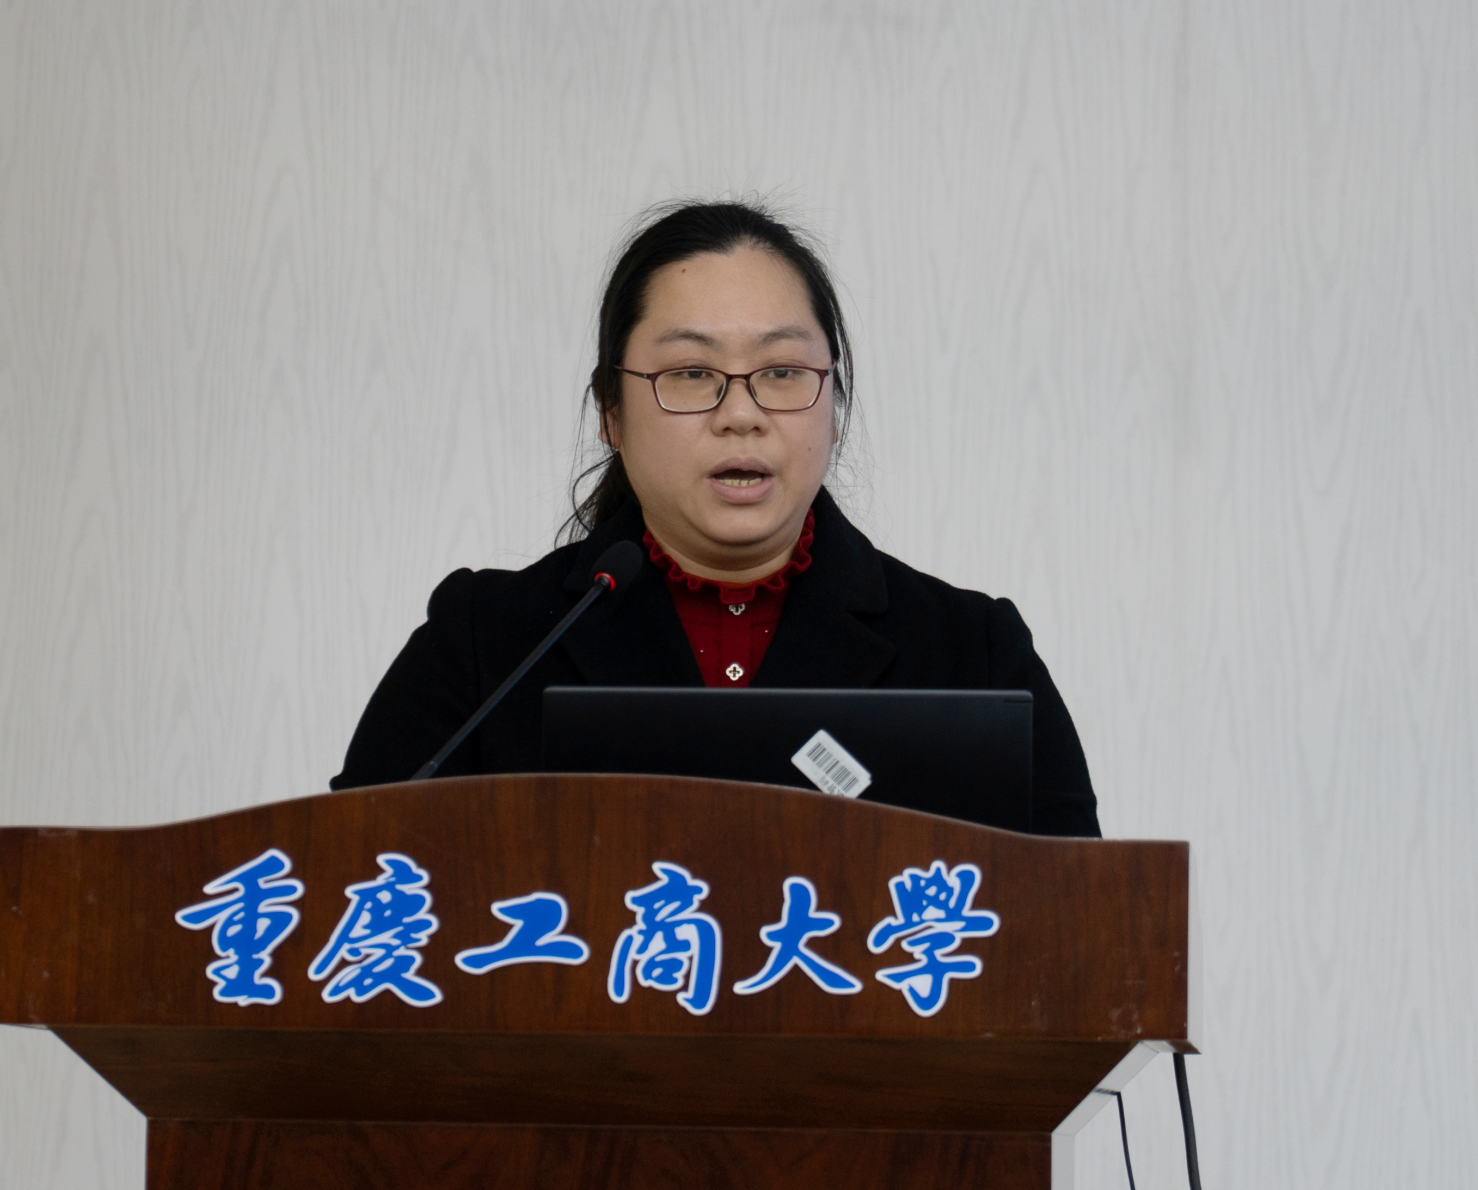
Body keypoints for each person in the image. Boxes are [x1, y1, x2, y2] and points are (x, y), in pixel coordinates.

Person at [331, 200, 1099, 838]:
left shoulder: (973, 654)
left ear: (833, 407)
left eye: (783, 371)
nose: (741, 413)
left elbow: (1082, 931)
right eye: (693, 372)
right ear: (610, 411)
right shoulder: (484, 646)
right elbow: (349, 895)